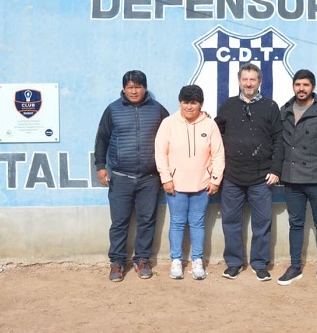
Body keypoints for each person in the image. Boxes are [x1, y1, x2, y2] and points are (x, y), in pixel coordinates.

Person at [94, 70, 169, 282]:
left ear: (145, 88)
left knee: (147, 220)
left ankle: (142, 259)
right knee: (119, 222)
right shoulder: (113, 110)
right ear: (124, 89)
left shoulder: (157, 109)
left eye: (138, 87)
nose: (134, 91)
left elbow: (172, 134)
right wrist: (100, 166)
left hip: (149, 178)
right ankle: (117, 262)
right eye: (130, 87)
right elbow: (102, 138)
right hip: (120, 177)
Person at [215, 63, 284, 281]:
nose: (248, 84)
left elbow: (279, 140)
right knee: (230, 221)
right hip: (232, 176)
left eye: (253, 79)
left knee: (262, 222)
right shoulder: (228, 105)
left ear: (259, 82)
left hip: (261, 177)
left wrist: (275, 169)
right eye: (245, 79)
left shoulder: (270, 107)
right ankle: (234, 263)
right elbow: (216, 134)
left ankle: (260, 263)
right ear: (239, 81)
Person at [276, 69, 317, 289]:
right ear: (293, 87)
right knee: (295, 224)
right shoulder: (284, 110)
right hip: (292, 178)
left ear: (313, 87)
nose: (301, 89)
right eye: (298, 85)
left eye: (305, 85)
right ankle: (295, 267)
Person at [154, 85, 225, 280]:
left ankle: (197, 261)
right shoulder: (169, 123)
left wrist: (215, 180)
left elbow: (218, 154)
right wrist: (166, 178)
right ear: (180, 102)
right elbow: (160, 153)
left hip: (202, 185)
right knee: (177, 223)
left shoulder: (209, 125)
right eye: (185, 102)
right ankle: (176, 261)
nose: (189, 107)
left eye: (193, 103)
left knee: (198, 223)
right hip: (175, 185)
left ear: (201, 104)